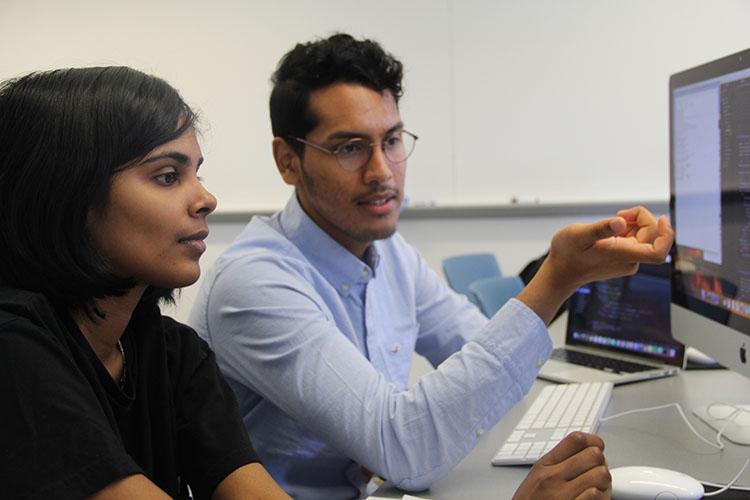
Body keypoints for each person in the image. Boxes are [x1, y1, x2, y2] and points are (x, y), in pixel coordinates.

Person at [189, 33, 673, 499]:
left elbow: (476, 347)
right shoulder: (254, 282)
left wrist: (573, 276)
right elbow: (405, 446)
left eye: (393, 140)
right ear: (288, 161)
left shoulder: (390, 253)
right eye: (350, 147)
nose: (382, 172)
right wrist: (559, 278)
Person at [0, 67, 290, 500]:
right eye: (168, 176)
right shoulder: (12, 347)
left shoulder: (173, 352)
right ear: (67, 193)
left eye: (197, 173)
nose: (206, 199)